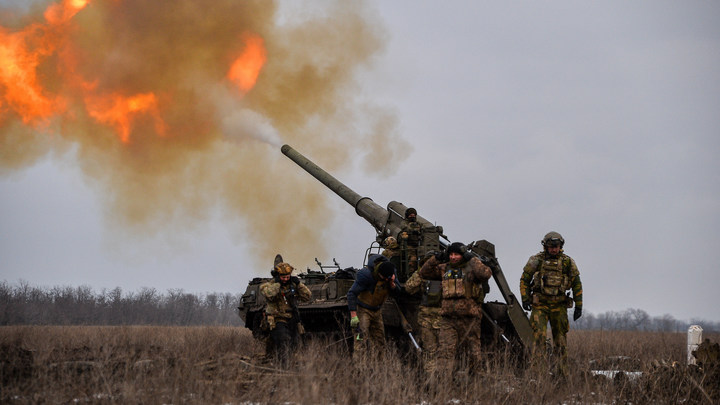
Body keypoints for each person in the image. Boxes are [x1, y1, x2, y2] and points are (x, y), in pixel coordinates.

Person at [418, 242, 492, 372]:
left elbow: (485, 274)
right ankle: (443, 383)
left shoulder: (471, 269)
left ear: (462, 255)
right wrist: (436, 258)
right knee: (445, 352)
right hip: (448, 318)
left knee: (473, 352)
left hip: (469, 318)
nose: (453, 257)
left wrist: (472, 259)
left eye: (456, 254)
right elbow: (424, 273)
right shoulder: (444, 268)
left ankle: (476, 381)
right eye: (451, 254)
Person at [519, 231, 583, 377]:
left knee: (560, 340)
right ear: (545, 246)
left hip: (559, 306)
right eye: (551, 246)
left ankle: (562, 375)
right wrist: (525, 299)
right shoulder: (536, 260)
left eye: (556, 246)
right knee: (538, 339)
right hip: (540, 305)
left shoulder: (567, 262)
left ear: (561, 246)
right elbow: (524, 280)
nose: (554, 249)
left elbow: (577, 284)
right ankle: (538, 375)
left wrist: (579, 306)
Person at [259, 261, 312, 368]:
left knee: (294, 343)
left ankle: (287, 364)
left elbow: (307, 296)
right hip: (277, 319)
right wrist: (277, 284)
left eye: (287, 277)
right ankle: (283, 366)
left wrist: (299, 284)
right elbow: (270, 294)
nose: (285, 279)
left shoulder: (293, 286)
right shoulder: (268, 285)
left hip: (292, 319)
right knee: (283, 340)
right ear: (278, 276)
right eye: (283, 277)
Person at [347, 254, 401, 357]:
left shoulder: (391, 272)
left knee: (380, 342)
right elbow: (351, 293)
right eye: (384, 278)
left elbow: (398, 292)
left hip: (377, 311)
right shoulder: (366, 275)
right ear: (379, 273)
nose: (386, 280)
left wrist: (393, 285)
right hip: (363, 311)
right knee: (360, 340)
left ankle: (378, 369)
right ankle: (360, 369)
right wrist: (354, 315)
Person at [405, 265, 443, 376]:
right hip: (438, 320)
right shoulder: (447, 271)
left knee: (431, 353)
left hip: (431, 320)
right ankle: (437, 381)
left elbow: (409, 287)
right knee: (436, 352)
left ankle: (433, 379)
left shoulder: (425, 273)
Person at [398, 207, 421, 275]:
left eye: (414, 215)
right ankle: (410, 274)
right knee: (412, 260)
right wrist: (413, 231)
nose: (412, 217)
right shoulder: (404, 223)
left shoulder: (418, 224)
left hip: (417, 245)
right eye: (410, 216)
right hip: (408, 246)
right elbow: (405, 228)